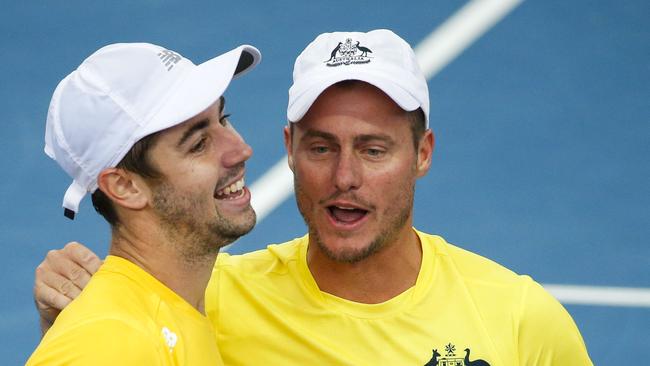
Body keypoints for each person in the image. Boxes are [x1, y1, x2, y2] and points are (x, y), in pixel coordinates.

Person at [33, 30, 593, 365]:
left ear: (423, 153)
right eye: (322, 148)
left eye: (373, 150)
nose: (345, 177)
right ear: (292, 149)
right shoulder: (204, 301)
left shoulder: (520, 318)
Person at [27, 41, 260, 365]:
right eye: (198, 144)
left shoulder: (182, 309)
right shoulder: (110, 343)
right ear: (125, 187)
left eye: (222, 119)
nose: (241, 149)